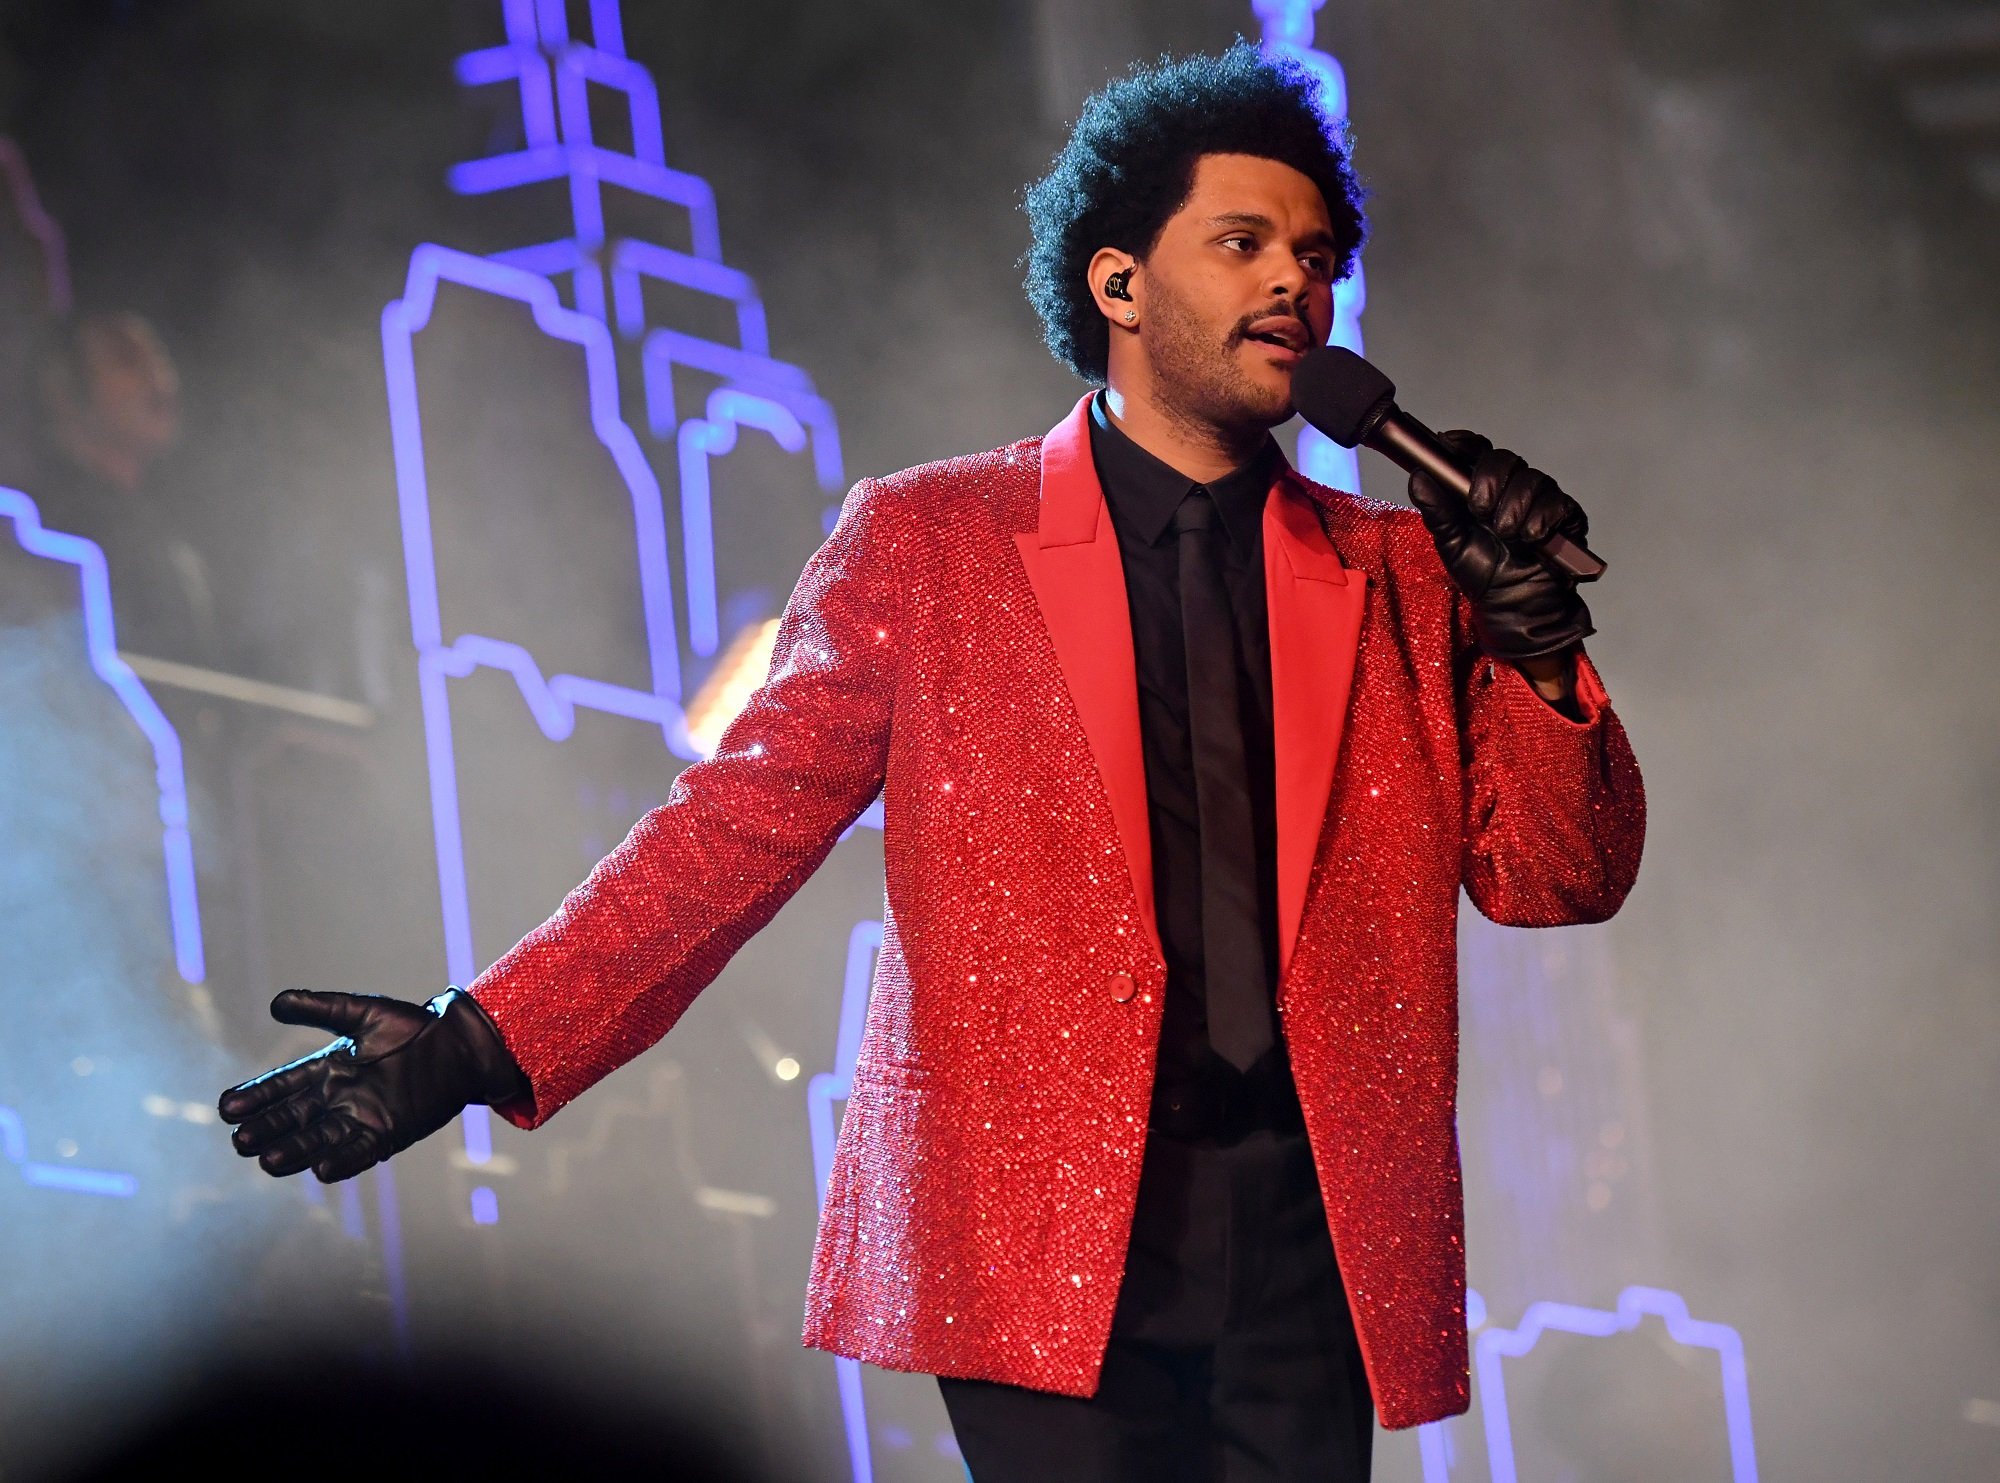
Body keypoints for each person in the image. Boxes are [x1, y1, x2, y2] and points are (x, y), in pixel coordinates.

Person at [219, 44, 1644, 1483]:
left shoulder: (1400, 571)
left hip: (1311, 1244)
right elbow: (737, 830)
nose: (1296, 280)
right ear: (1119, 282)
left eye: (1317, 252)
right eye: (1244, 241)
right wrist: (476, 1043)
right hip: (1039, 1239)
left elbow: (1553, 879)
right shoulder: (935, 541)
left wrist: (1533, 646)